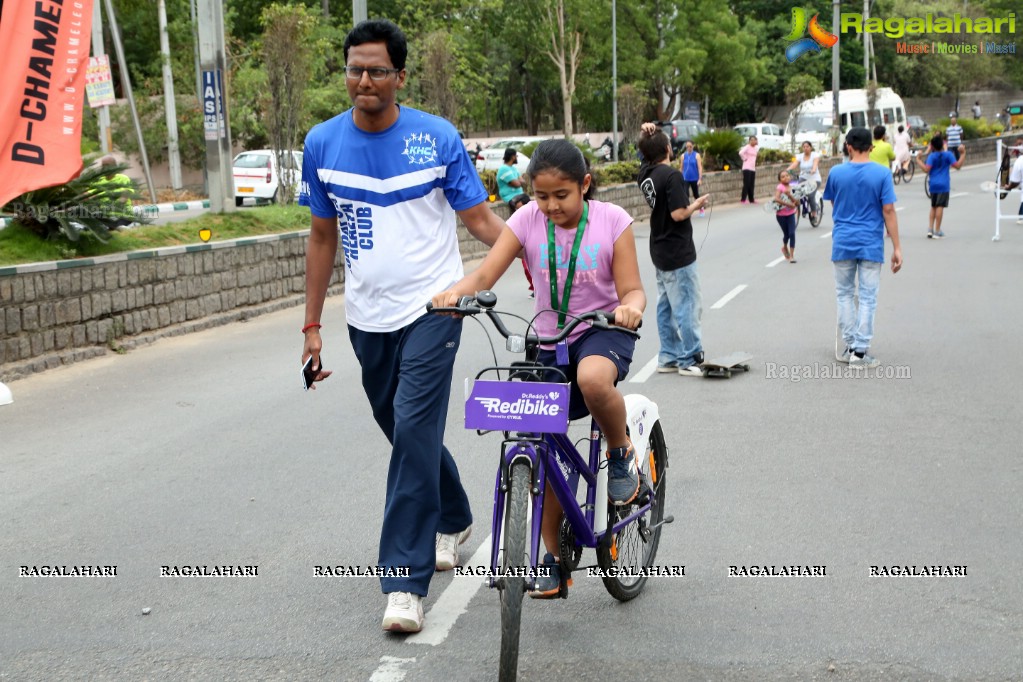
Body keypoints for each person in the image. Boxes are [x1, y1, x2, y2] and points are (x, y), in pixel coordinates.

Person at [298, 19, 506, 634]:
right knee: (400, 427)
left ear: (400, 77)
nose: (364, 80)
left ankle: (403, 583)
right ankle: (456, 514)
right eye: (355, 69)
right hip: (367, 316)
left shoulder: (435, 138)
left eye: (377, 70)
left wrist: (534, 252)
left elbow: (480, 222)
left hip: (435, 308)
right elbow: (320, 236)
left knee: (414, 426)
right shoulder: (322, 143)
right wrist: (312, 325)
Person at [431, 139, 646, 597]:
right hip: (548, 338)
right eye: (540, 196)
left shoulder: (612, 221)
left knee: (591, 378)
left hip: (602, 329)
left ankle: (621, 449)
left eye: (561, 196)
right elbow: (485, 273)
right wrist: (455, 293)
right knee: (536, 437)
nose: (549, 206)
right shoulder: (527, 219)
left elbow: (633, 291)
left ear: (585, 185)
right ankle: (552, 556)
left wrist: (629, 309)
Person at [821, 127, 902, 369]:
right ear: (873, 147)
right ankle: (860, 351)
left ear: (848, 146)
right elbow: (888, 210)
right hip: (870, 242)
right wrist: (897, 247)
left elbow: (835, 204)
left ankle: (849, 348)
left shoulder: (836, 172)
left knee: (844, 294)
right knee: (867, 297)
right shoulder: (882, 174)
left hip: (843, 240)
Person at [637, 127, 711, 376]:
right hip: (678, 250)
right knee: (688, 303)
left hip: (659, 248)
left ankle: (668, 355)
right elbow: (678, 213)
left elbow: (644, 155)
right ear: (668, 149)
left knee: (666, 304)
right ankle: (689, 358)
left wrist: (644, 135)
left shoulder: (645, 175)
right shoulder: (672, 176)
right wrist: (696, 204)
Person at [914, 133, 966, 239]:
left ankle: (930, 229)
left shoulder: (931, 156)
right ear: (943, 144)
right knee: (940, 206)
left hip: (933, 184)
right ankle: (937, 230)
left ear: (932, 146)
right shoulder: (949, 155)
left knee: (933, 206)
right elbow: (957, 166)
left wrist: (918, 160)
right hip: (944, 184)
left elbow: (926, 169)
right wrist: (963, 154)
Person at [787, 141, 821, 221]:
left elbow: (815, 163)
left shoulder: (815, 155)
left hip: (814, 179)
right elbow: (794, 164)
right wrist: (787, 170)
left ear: (810, 147)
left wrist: (813, 170)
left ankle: (814, 214)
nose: (805, 148)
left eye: (807, 146)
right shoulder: (800, 156)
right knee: (795, 192)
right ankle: (796, 208)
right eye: (804, 147)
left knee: (811, 195)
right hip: (803, 178)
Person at [774, 170, 798, 263]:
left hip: (791, 214)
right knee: (786, 235)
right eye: (783, 177)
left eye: (787, 175)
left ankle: (791, 256)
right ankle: (784, 247)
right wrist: (788, 204)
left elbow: (797, 202)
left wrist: (790, 196)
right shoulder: (780, 187)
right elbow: (776, 199)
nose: (786, 178)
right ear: (780, 179)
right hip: (781, 215)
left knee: (792, 233)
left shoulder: (794, 187)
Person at [497, 147, 529, 212]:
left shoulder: (514, 168)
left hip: (521, 195)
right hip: (511, 197)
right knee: (523, 208)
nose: (517, 157)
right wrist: (519, 181)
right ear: (512, 157)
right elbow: (517, 184)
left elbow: (523, 182)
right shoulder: (504, 169)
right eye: (516, 156)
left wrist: (518, 181)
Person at [1000, 137, 1023, 224]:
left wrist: (1009, 187)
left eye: (1020, 143)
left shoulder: (1020, 161)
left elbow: (1015, 182)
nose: (1018, 145)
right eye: (1018, 144)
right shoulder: (1018, 158)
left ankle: (1021, 216)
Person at [679, 139, 704, 216]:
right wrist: (679, 178)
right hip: (685, 178)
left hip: (694, 178)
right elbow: (681, 168)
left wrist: (700, 179)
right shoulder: (683, 156)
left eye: (690, 146)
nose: (689, 148)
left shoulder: (697, 155)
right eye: (687, 147)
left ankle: (701, 208)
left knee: (696, 194)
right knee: (685, 194)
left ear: (693, 146)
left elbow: (700, 167)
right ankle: (687, 211)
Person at [739, 135, 759, 204]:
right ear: (749, 141)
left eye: (754, 140)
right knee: (746, 184)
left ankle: (751, 199)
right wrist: (745, 159)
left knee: (751, 184)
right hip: (747, 167)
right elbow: (741, 153)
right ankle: (743, 199)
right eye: (751, 140)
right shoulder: (747, 147)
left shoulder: (756, 148)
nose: (753, 141)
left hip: (752, 168)